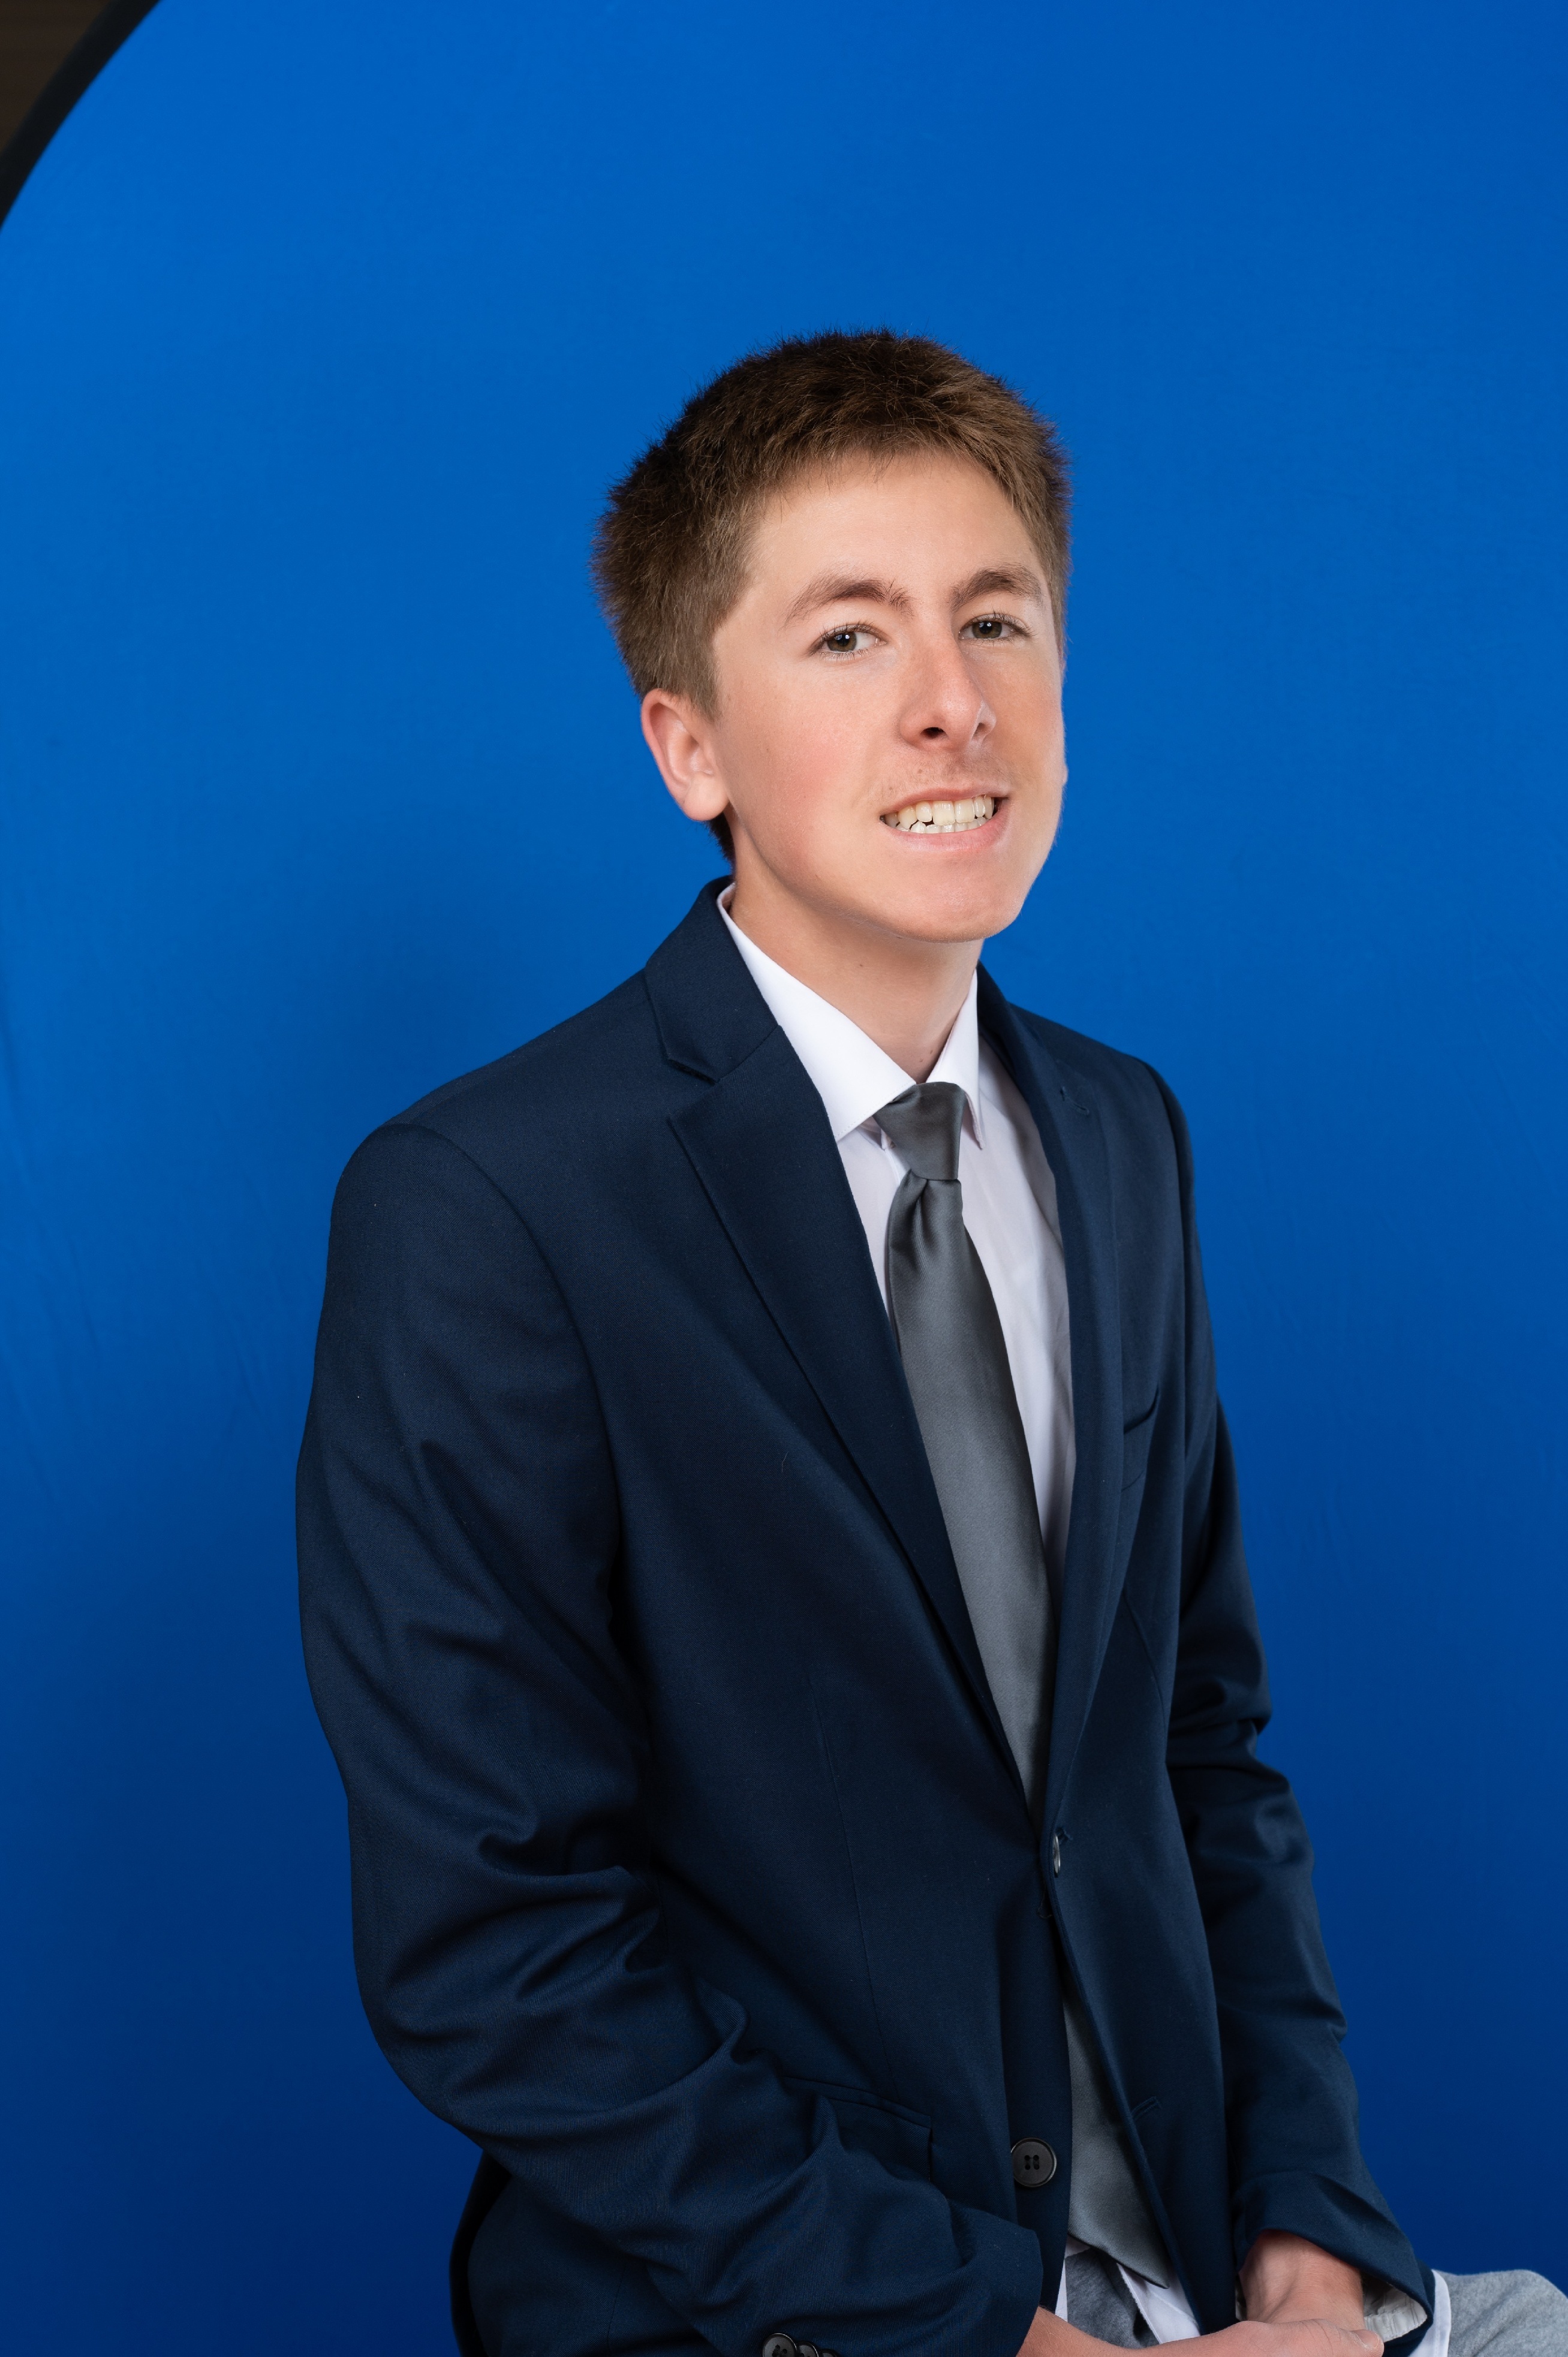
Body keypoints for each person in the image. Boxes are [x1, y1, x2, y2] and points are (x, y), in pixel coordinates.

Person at [296, 330, 1566, 2357]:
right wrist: (1007, 2335)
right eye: (848, 635)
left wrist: (1315, 2242)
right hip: (806, 2313)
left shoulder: (1124, 1136)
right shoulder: (487, 1207)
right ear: (690, 748)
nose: (950, 700)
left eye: (996, 618)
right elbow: (499, 1954)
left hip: (1201, 2281)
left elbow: (1202, 1750)